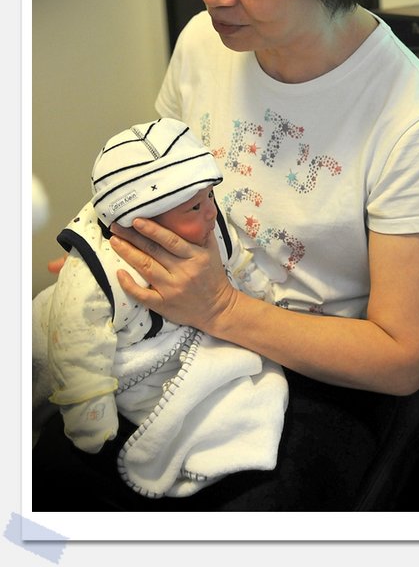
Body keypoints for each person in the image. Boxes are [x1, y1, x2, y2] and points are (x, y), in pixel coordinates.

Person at [34, 0, 419, 511]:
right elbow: (154, 183)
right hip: (178, 329)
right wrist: (107, 254)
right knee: (53, 471)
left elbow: (399, 358)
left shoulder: (410, 119)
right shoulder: (203, 45)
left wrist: (221, 307)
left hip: (318, 371)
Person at [32, 118, 288, 500]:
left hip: (170, 331)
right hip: (66, 336)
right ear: (143, 222)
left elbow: (237, 262)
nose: (210, 213)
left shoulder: (209, 222)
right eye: (194, 207)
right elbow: (75, 341)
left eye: (209, 197)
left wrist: (261, 295)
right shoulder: (98, 273)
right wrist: (88, 411)